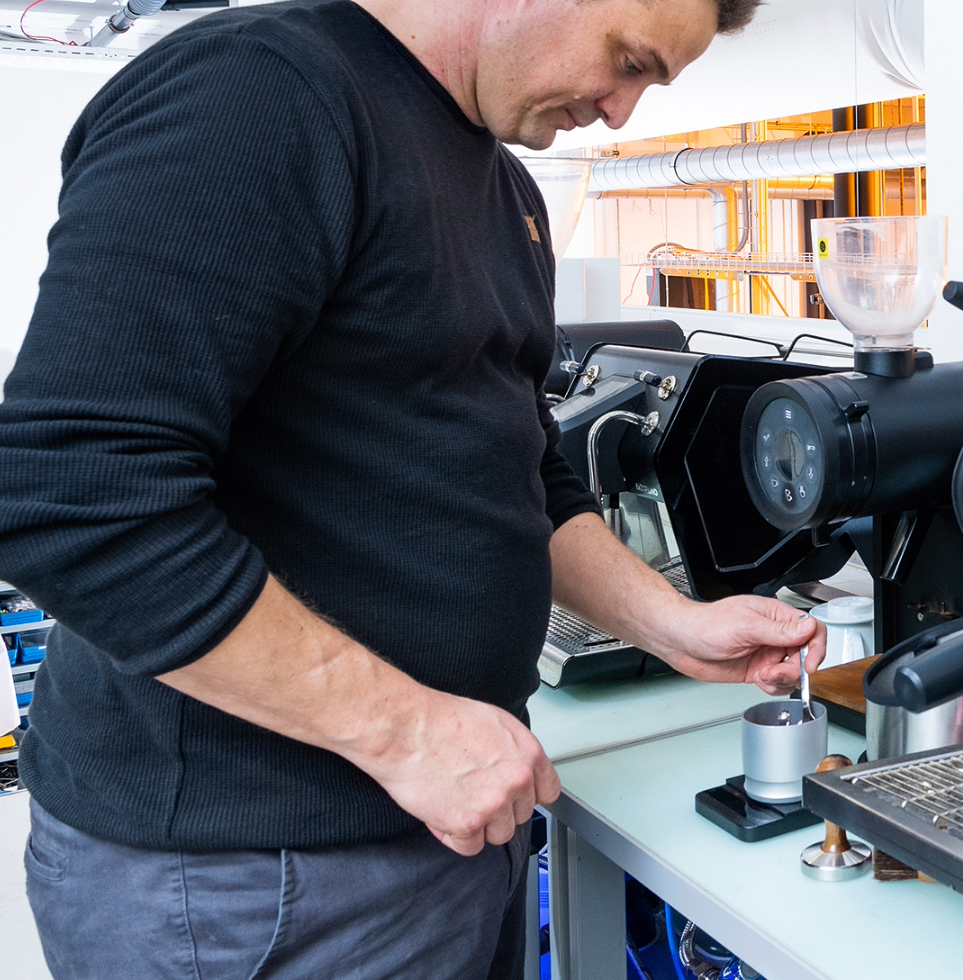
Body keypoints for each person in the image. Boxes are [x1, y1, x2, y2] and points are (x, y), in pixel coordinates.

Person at [0, 0, 819, 977]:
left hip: (448, 825)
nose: (621, 112)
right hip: (253, 884)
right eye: (628, 60)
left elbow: (519, 467)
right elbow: (74, 490)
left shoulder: (505, 188)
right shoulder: (262, 97)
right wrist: (408, 731)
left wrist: (670, 623)